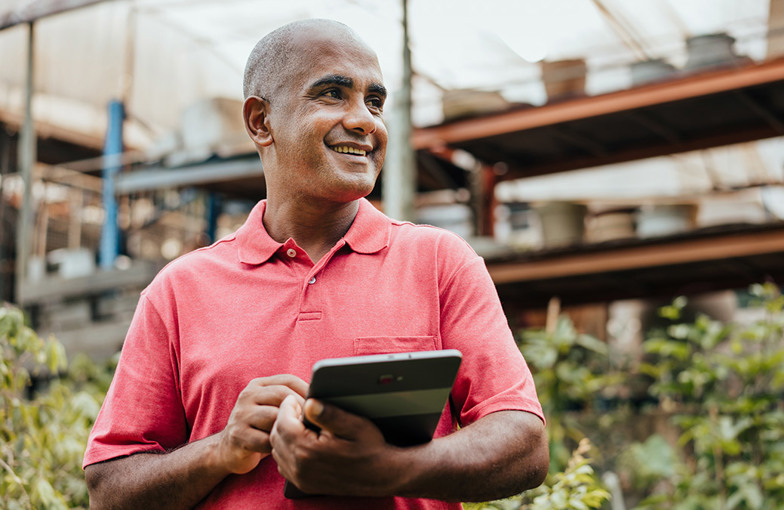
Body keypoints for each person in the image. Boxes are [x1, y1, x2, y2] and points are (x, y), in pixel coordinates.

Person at [83, 18, 548, 509]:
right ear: (261, 121)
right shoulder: (179, 290)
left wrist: (387, 469)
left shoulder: (439, 264)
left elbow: (523, 444)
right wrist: (221, 449)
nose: (366, 120)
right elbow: (108, 491)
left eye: (374, 101)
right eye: (332, 94)